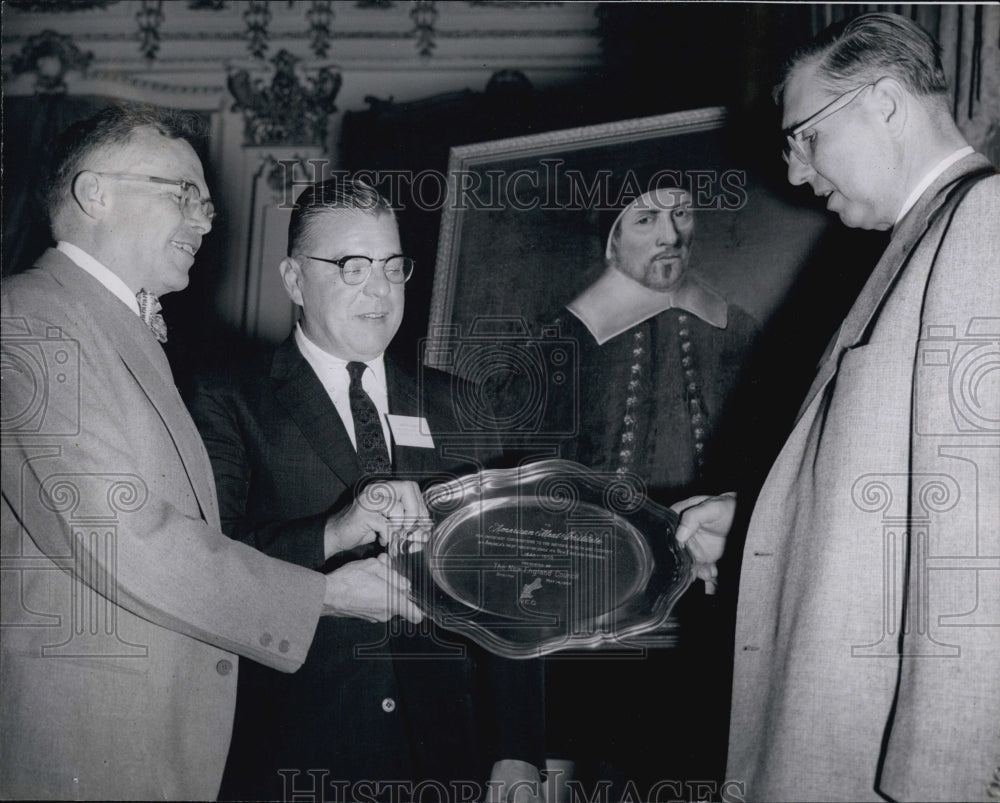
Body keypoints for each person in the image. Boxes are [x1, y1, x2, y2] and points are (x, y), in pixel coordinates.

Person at [0, 106, 423, 800]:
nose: (205, 219)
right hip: (83, 742)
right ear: (95, 194)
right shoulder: (33, 319)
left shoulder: (115, 327)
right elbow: (121, 536)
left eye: (205, 202)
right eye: (182, 194)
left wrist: (336, 533)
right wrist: (320, 594)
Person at [674, 13, 1000, 801]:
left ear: (885, 102)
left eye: (807, 136)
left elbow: (975, 541)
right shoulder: (925, 234)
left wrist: (941, 779)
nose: (794, 172)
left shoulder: (982, 224)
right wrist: (755, 519)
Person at [187, 177, 545, 802]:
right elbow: (205, 564)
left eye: (392, 265)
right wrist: (326, 536)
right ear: (295, 279)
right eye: (352, 266)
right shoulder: (227, 397)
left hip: (445, 757)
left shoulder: (461, 403)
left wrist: (517, 750)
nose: (379, 289)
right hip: (292, 754)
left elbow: (508, 584)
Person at [499, 184, 758, 796]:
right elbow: (529, 478)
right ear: (612, 239)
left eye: (680, 214)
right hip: (593, 602)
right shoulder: (561, 338)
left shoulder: (737, 327)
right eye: (646, 218)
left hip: (709, 601)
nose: (670, 232)